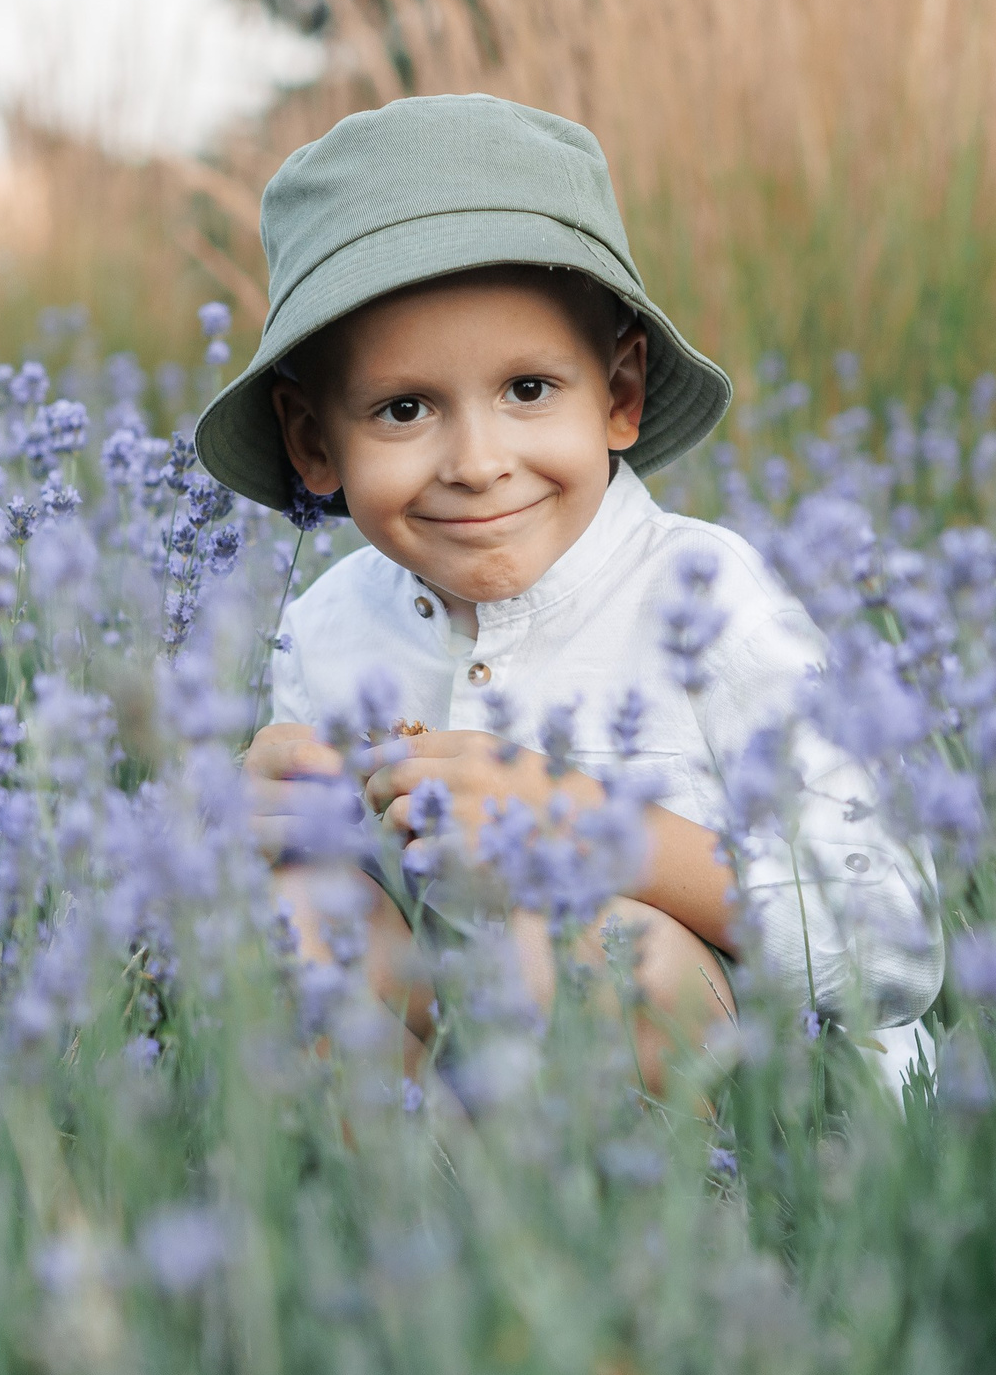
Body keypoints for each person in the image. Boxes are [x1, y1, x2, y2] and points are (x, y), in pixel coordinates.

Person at [195, 93, 942, 1095]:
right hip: (471, 1086)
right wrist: (258, 826)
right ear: (312, 442)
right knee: (293, 922)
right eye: (404, 408)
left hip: (772, 1116)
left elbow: (891, 939)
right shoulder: (324, 630)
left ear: (619, 395)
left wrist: (592, 828)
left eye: (528, 390)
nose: (477, 463)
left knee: (594, 954)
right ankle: (422, 1187)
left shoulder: (705, 598)